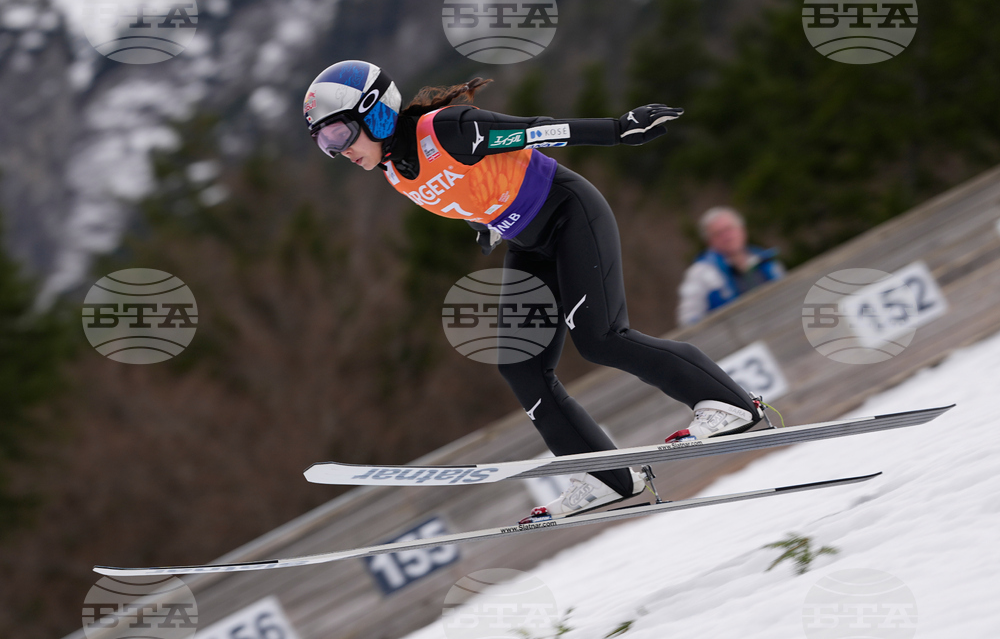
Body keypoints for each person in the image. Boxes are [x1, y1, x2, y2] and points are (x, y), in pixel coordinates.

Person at [304, 60, 763, 521]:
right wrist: (483, 225)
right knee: (519, 365)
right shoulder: (394, 171)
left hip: (569, 214)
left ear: (376, 112)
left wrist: (620, 129)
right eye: (324, 142)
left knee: (601, 338)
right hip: (528, 241)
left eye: (339, 134)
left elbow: (538, 131)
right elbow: (468, 190)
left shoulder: (447, 130)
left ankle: (730, 404)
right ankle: (606, 476)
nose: (336, 149)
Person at [676, 207, 784, 327]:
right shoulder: (700, 273)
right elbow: (688, 320)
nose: (727, 236)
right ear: (709, 241)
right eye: (718, 233)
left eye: (729, 229)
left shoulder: (765, 259)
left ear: (742, 230)